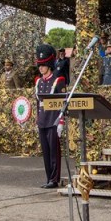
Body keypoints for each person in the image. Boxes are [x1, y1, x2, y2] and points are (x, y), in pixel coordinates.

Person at [34, 44, 67, 188]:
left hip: (53, 120)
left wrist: (61, 121)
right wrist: (37, 120)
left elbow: (64, 102)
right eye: (39, 65)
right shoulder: (39, 82)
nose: (41, 68)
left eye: (43, 65)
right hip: (43, 120)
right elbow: (37, 103)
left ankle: (54, 179)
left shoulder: (58, 80)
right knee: (46, 152)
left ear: (49, 65)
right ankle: (49, 178)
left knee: (54, 152)